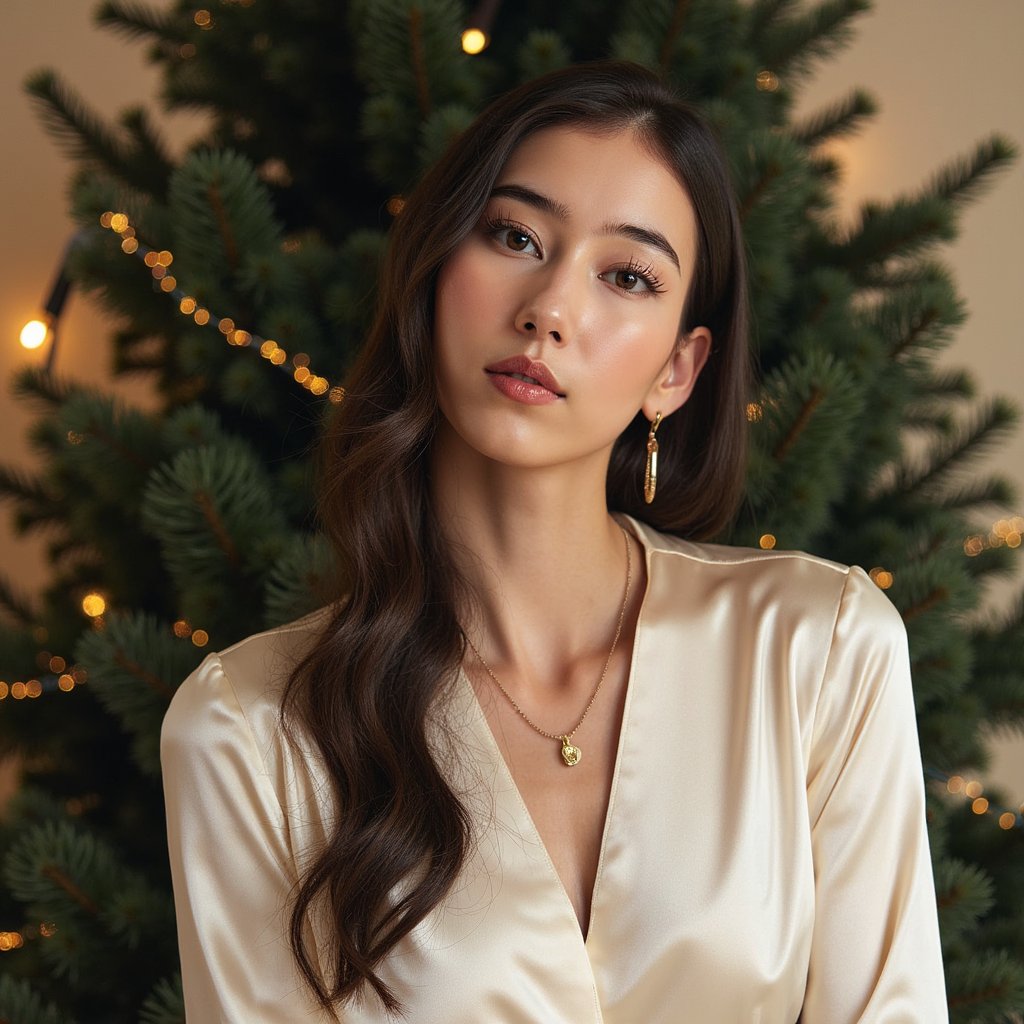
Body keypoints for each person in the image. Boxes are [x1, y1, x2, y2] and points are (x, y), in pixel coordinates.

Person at [160, 61, 948, 1022]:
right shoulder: (247, 728)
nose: (550, 308)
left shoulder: (818, 649)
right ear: (437, 270)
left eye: (627, 275)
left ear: (677, 371)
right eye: (515, 235)